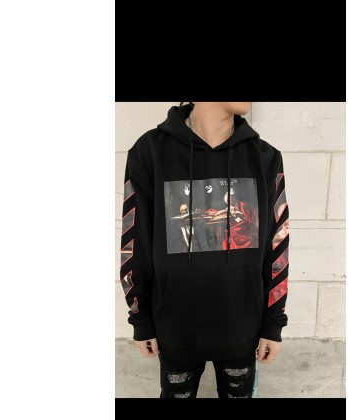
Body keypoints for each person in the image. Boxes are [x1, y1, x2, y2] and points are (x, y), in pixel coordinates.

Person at [119, 102, 290, 398]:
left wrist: (273, 323)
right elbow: (135, 242)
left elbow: (277, 246)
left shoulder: (265, 157)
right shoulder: (149, 152)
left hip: (241, 327)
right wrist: (140, 318)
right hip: (176, 327)